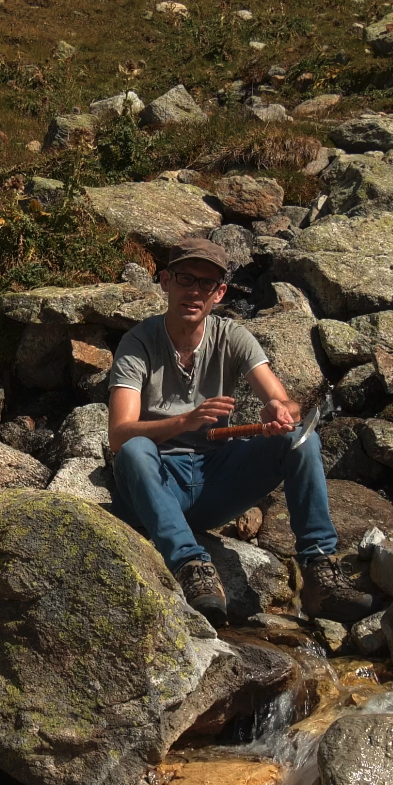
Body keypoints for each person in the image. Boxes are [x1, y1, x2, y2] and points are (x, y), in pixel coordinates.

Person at [106, 237, 338, 622]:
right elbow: (119, 435)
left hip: (216, 478)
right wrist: (185, 421)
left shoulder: (232, 336)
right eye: (185, 279)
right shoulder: (137, 344)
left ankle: (320, 569)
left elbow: (282, 402)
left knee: (299, 440)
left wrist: (280, 410)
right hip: (157, 483)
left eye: (207, 284)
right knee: (134, 451)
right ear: (165, 281)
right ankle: (192, 567)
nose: (194, 291)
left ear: (220, 292)